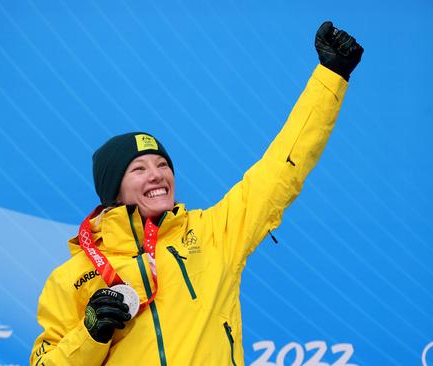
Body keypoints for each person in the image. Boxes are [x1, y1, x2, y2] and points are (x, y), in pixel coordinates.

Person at [30, 21, 363, 366]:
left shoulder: (214, 233)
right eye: (139, 169)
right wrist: (91, 333)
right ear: (114, 188)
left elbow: (282, 167)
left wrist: (331, 77)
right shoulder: (71, 277)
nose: (157, 175)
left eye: (162, 164)